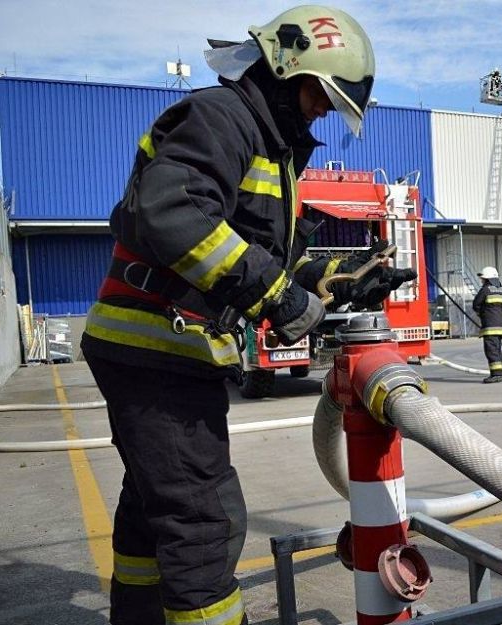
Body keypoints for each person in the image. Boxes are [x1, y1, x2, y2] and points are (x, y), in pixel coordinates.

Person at [79, 6, 414, 624]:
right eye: (320, 94)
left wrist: (335, 279)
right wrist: (282, 300)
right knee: (204, 520)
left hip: (159, 349)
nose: (321, 111)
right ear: (287, 69)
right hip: (158, 347)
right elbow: (177, 214)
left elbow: (257, 254)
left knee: (153, 507)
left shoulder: (264, 142)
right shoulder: (221, 117)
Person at [472, 266, 502, 383]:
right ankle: (498, 374)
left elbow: (476, 305)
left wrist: (482, 313)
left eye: (483, 279)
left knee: (491, 351)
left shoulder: (485, 290)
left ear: (487, 279)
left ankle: (496, 375)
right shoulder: (501, 291)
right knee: (497, 350)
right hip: (501, 327)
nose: (482, 281)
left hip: (490, 327)